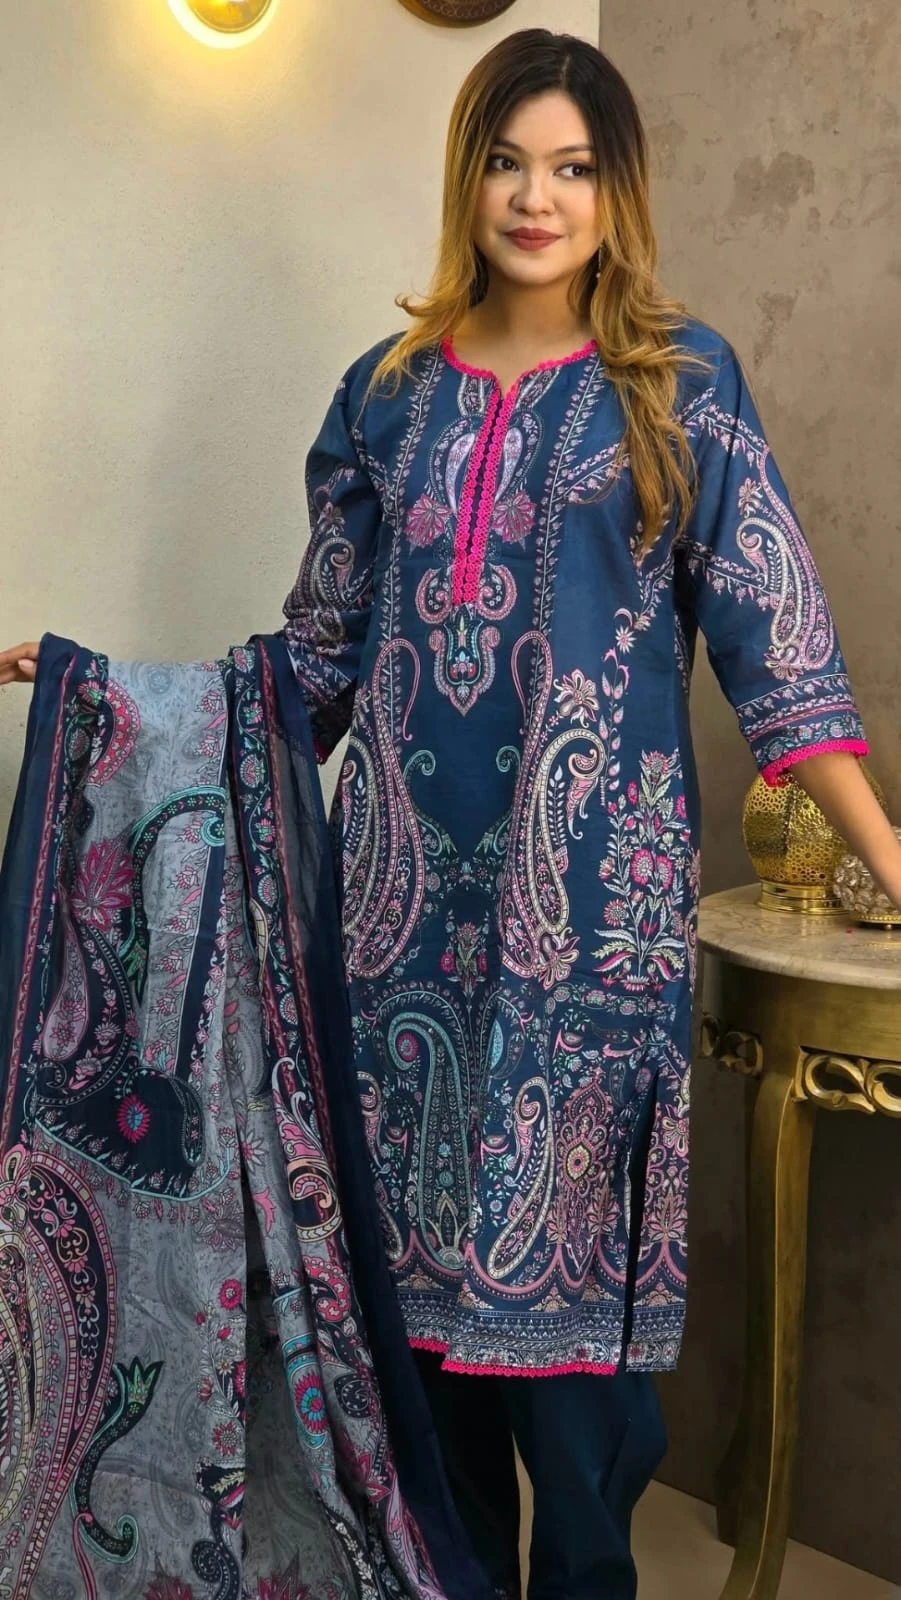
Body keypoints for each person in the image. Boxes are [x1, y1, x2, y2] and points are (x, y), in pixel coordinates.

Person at [4, 27, 900, 1600]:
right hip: (399, 943)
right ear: (465, 180)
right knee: (423, 1367)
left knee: (580, 1387)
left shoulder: (679, 384)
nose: (536, 198)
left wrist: (886, 852)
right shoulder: (387, 397)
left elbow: (779, 645)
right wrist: (109, 696)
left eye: (573, 168)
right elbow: (314, 666)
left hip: (590, 949)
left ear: (617, 193)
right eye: (507, 162)